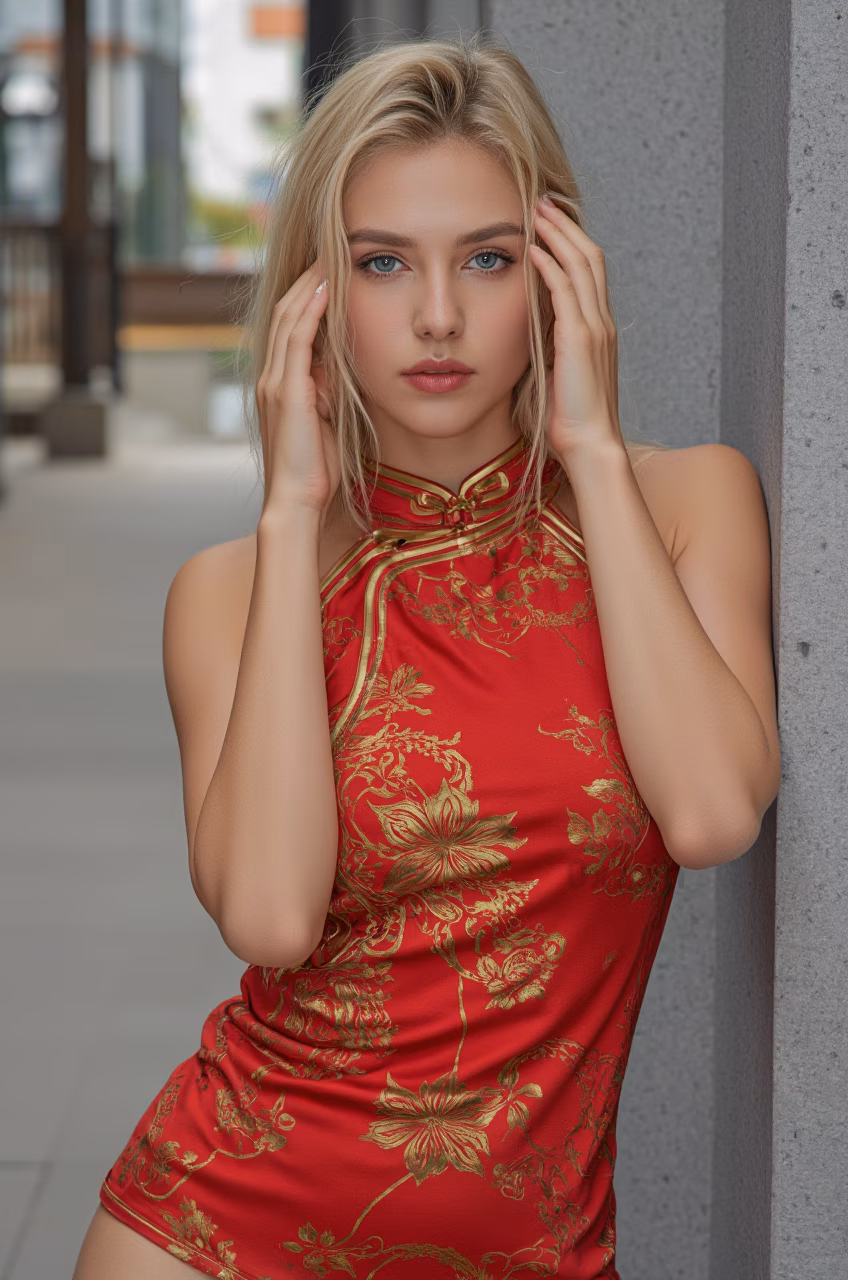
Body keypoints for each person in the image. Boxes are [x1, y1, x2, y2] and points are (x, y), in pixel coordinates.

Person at [72, 31, 781, 1280]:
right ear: (317, 294)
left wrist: (594, 452)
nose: (439, 315)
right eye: (382, 263)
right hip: (217, 1234)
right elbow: (271, 914)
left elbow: (713, 809)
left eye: (490, 259)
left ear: (559, 276)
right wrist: (293, 517)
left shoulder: (680, 506)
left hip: (539, 1250)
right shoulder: (231, 590)